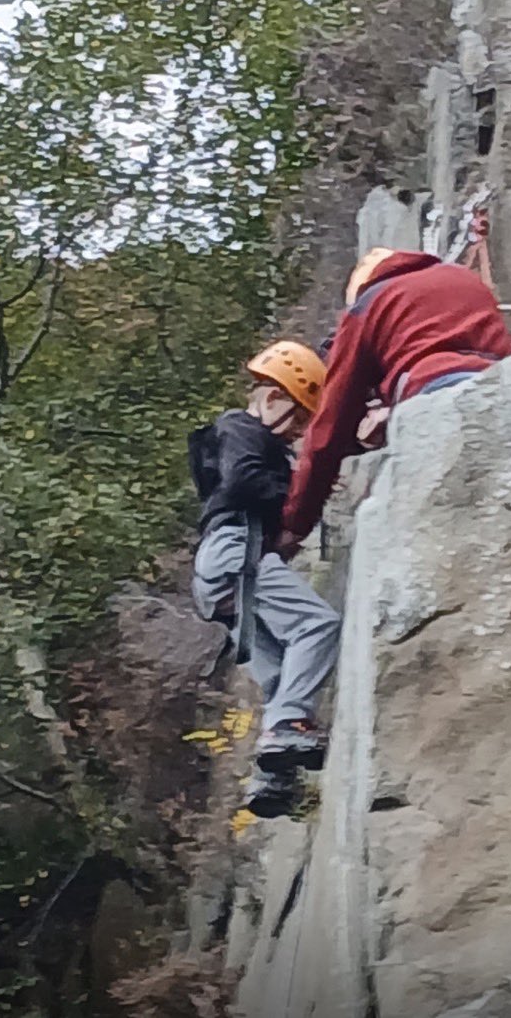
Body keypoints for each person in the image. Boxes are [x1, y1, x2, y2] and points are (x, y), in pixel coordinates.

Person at [189, 341, 341, 818]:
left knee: (278, 677)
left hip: (220, 573)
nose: (297, 433)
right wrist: (301, 492)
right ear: (272, 397)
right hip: (238, 551)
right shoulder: (239, 427)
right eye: (297, 419)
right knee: (316, 626)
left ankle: (271, 783)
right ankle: (288, 726)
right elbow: (243, 480)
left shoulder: (248, 440)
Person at [278, 248, 511, 554]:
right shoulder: (463, 278)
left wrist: (296, 522)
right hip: (505, 388)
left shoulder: (369, 304)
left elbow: (330, 426)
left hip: (432, 396)